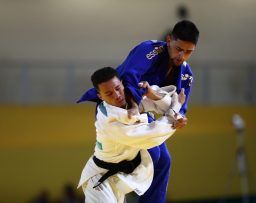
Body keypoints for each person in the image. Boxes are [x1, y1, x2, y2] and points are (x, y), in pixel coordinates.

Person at [78, 20, 199, 202]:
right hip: (118, 105)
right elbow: (127, 77)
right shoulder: (150, 49)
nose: (182, 55)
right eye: (179, 48)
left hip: (143, 111)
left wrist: (179, 117)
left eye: (188, 51)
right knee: (150, 152)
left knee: (163, 160)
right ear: (168, 40)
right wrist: (133, 105)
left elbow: (180, 106)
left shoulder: (186, 75)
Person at [77, 67, 185, 203]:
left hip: (118, 179)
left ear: (122, 83)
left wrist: (155, 96)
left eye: (118, 88)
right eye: (109, 93)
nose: (117, 95)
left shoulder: (132, 96)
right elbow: (151, 134)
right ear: (100, 97)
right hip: (99, 179)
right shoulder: (109, 120)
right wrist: (176, 109)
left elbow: (164, 103)